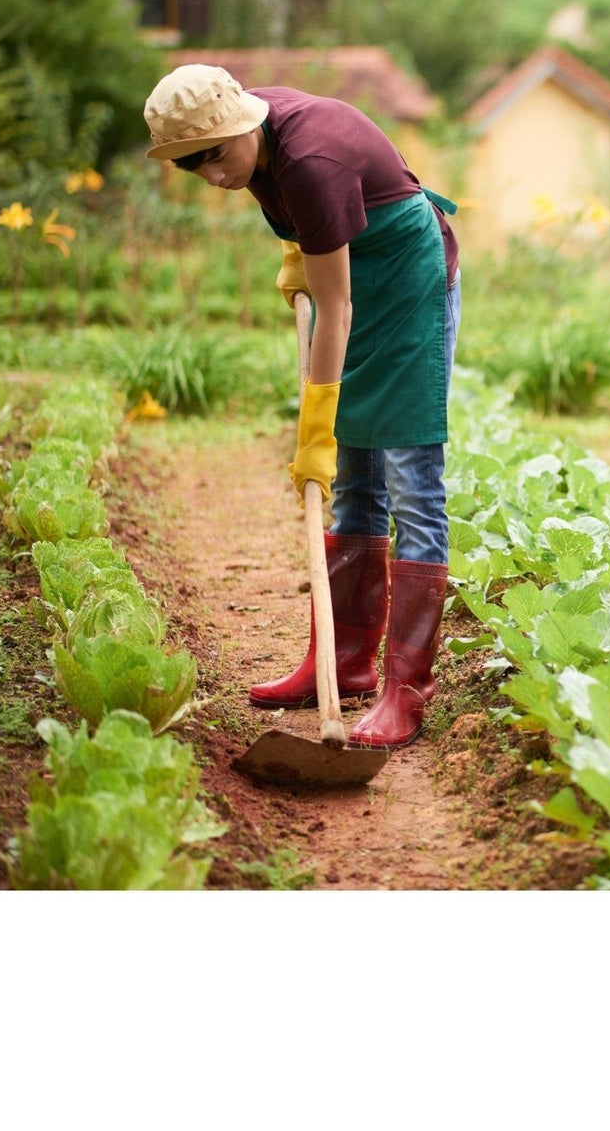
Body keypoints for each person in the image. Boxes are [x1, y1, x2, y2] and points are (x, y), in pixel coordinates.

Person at [143, 63, 462, 749]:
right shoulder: (259, 142)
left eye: (218, 155)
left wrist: (314, 426)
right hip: (353, 271)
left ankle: (405, 691)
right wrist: (300, 254)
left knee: (410, 480)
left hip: (404, 279)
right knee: (355, 485)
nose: (214, 176)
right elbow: (323, 254)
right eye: (193, 165)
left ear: (244, 125)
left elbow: (337, 309)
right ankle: (341, 664)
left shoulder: (307, 158)